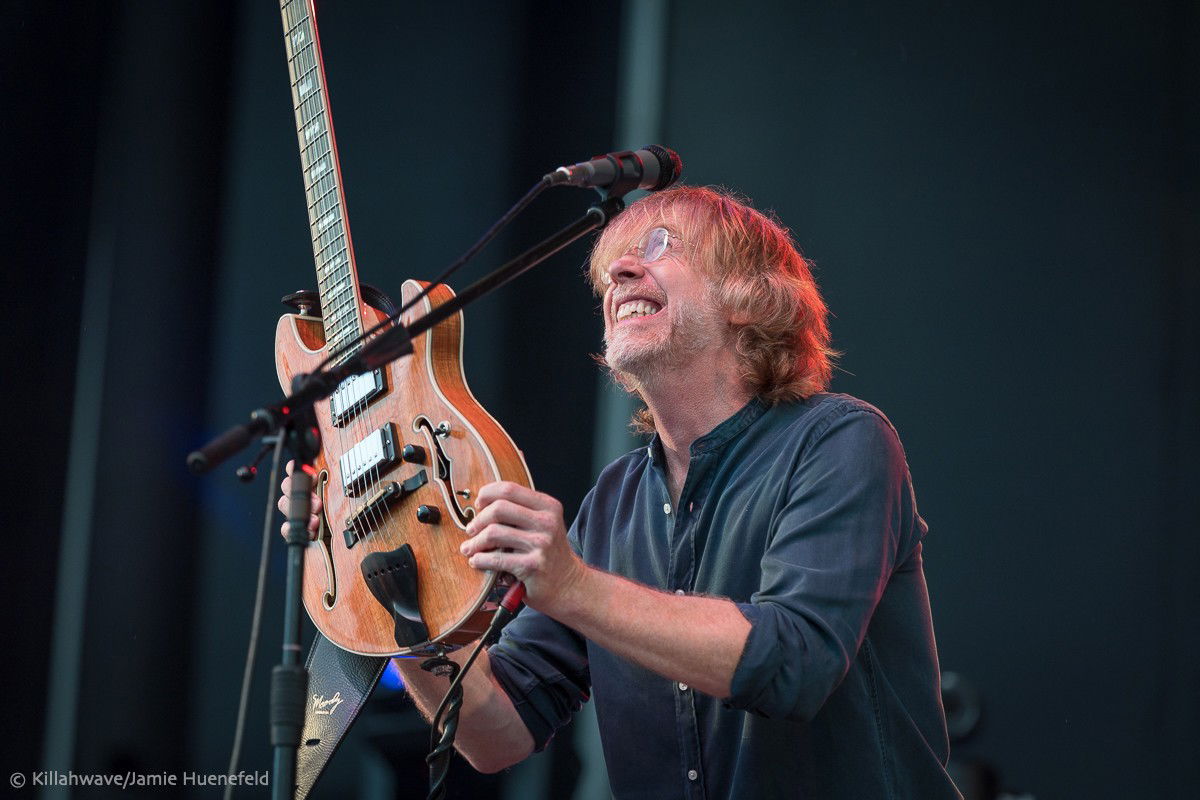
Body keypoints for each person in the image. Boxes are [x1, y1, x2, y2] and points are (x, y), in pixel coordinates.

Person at [284, 186, 960, 798]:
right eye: (611, 264)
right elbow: (498, 735)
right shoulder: (614, 500)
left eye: (661, 245)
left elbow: (794, 662)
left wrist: (574, 586)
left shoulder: (841, 441)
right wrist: (399, 601)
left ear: (749, 295)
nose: (621, 272)